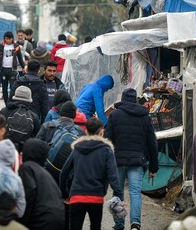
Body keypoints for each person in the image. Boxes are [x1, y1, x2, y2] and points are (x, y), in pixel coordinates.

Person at [104, 88, 158, 230]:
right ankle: (135, 224)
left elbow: (107, 139)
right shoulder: (145, 117)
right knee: (135, 192)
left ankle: (119, 224)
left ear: (122, 99)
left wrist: (105, 162)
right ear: (135, 100)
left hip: (118, 161)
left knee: (118, 192)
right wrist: (153, 167)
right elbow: (152, 142)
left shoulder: (114, 115)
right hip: (137, 161)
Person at [60, 117, 124, 230]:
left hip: (76, 196)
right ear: (101, 132)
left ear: (86, 131)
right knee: (95, 227)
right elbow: (113, 175)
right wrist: (119, 197)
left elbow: (64, 172)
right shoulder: (107, 150)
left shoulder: (77, 149)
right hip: (96, 197)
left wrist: (65, 193)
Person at [18, 139, 65, 230]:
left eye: (24, 151)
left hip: (42, 220)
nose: (21, 153)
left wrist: (22, 222)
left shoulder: (27, 167)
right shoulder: (44, 172)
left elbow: (29, 194)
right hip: (56, 218)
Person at [0, 86, 41, 151]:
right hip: (23, 151)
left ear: (15, 97)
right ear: (29, 100)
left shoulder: (4, 111)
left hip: (4, 147)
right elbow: (37, 137)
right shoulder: (34, 116)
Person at [0, 31, 25, 104]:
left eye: (9, 39)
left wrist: (23, 67)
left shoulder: (16, 47)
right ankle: (6, 103)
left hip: (12, 70)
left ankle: (12, 102)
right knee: (4, 88)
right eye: (6, 39)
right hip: (3, 69)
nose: (7, 40)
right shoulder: (1, 46)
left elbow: (20, 58)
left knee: (13, 87)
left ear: (12, 39)